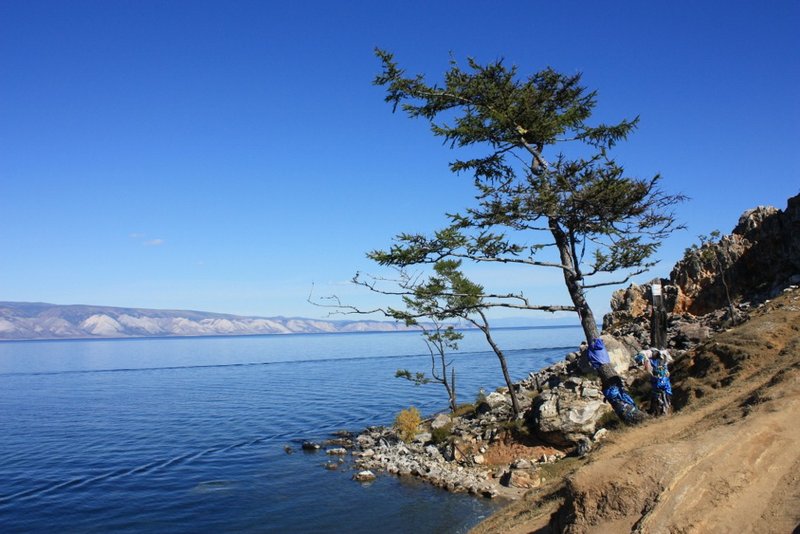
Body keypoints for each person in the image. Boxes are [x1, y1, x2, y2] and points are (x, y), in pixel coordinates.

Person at [584, 338, 646, 424]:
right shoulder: (601, 349)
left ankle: (632, 419)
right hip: (608, 371)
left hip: (606, 373)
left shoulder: (612, 390)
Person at [634, 348, 673, 415]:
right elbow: (647, 367)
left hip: (661, 377)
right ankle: (654, 408)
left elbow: (649, 367)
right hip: (657, 376)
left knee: (663, 389)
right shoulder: (645, 355)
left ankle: (666, 405)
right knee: (655, 391)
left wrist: (665, 371)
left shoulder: (660, 356)